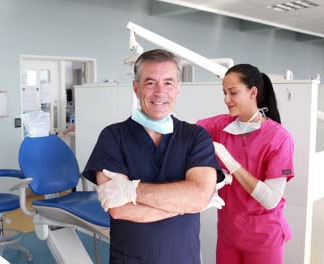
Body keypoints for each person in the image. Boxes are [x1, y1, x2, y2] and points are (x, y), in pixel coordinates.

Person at [82, 49, 224, 264]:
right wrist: (187, 204)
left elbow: (197, 196)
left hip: (183, 258)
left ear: (178, 89)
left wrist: (130, 190)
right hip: (130, 258)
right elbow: (119, 209)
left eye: (168, 83)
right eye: (150, 83)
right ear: (136, 88)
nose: (160, 92)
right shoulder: (113, 136)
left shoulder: (195, 136)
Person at [196, 64, 294, 264]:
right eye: (224, 93)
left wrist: (231, 164)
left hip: (263, 237)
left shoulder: (279, 137)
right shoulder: (219, 126)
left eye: (233, 92)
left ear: (253, 92)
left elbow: (271, 199)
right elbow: (185, 134)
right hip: (229, 234)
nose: (226, 100)